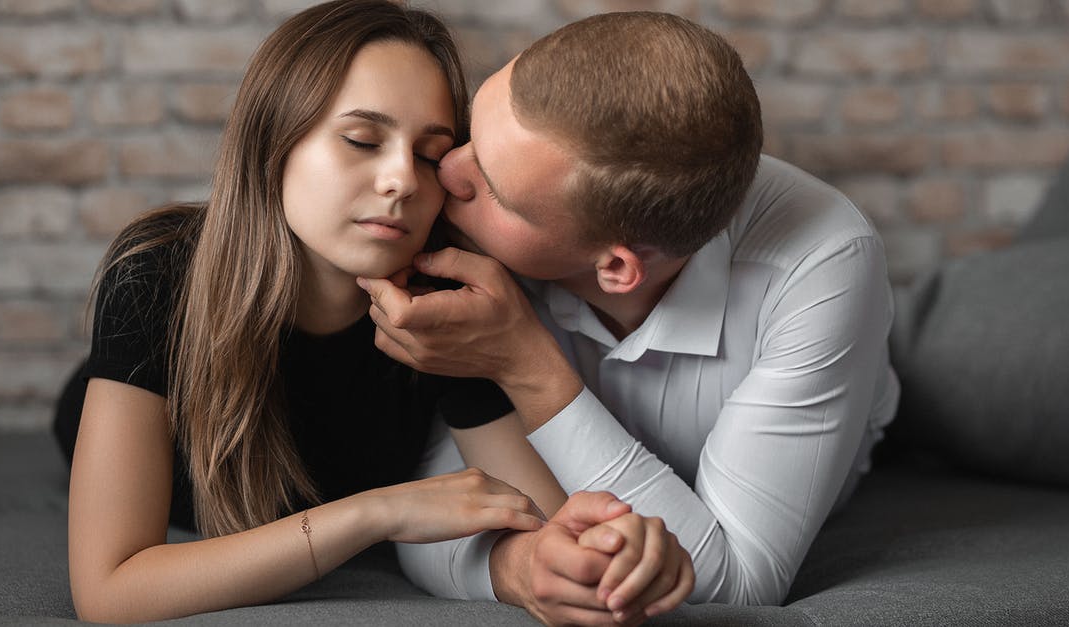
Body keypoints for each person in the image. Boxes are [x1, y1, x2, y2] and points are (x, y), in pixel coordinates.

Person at [50, 2, 694, 622]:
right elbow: (111, 591)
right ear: (273, 142)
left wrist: (602, 552)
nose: (402, 181)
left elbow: (542, 516)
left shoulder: (436, 302)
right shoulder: (155, 274)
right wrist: (379, 513)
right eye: (362, 140)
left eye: (427, 154)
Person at [361, 10, 900, 625]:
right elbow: (428, 504)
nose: (445, 169)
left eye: (495, 188)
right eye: (473, 133)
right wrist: (520, 566)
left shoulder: (822, 260)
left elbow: (741, 584)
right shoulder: (465, 226)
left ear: (616, 268)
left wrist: (526, 364)